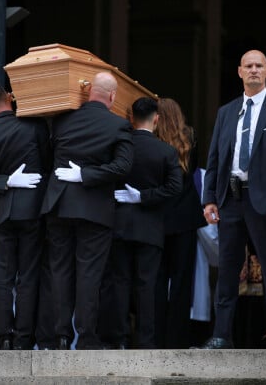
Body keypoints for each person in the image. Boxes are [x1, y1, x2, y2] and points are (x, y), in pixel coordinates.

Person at [201, 50, 266, 349]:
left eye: (259, 66)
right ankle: (221, 335)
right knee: (228, 271)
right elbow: (216, 157)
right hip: (230, 198)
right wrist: (209, 198)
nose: (254, 70)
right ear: (239, 72)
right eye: (249, 66)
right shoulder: (226, 112)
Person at [41, 71, 133, 349]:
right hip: (94, 209)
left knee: (60, 272)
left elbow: (49, 158)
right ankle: (86, 337)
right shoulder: (118, 125)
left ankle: (60, 335)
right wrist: (87, 175)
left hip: (59, 204)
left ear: (89, 91)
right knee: (89, 274)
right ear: (113, 96)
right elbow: (123, 167)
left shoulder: (62, 119)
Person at [0, 83, 52, 350]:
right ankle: (23, 339)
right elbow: (48, 163)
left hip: (3, 212)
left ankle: (4, 336)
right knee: (28, 276)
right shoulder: (35, 126)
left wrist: (6, 181)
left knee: (4, 278)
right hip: (32, 210)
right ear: (9, 97)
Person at [99, 97, 182, 349]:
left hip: (119, 225)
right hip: (150, 228)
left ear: (130, 118)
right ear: (156, 119)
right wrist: (145, 197)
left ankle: (120, 340)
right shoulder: (166, 151)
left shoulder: (119, 148)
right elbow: (174, 188)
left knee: (119, 283)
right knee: (147, 286)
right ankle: (146, 342)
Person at [154, 98, 206, 349]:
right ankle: (178, 338)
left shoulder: (152, 141)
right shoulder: (189, 140)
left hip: (158, 218)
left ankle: (157, 337)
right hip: (185, 218)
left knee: (157, 280)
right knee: (182, 282)